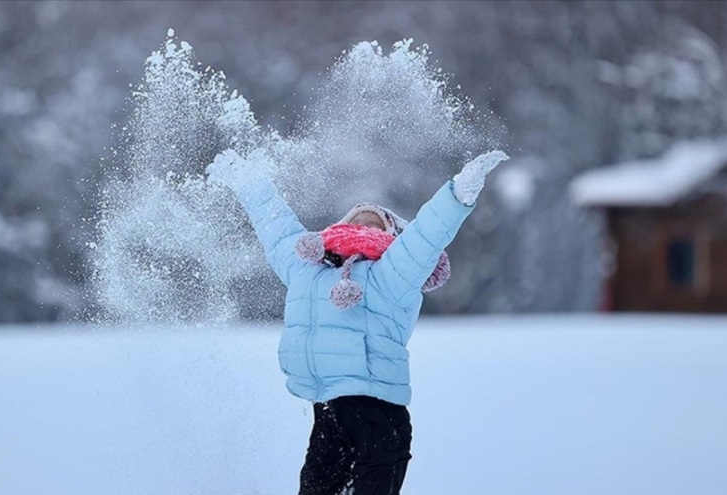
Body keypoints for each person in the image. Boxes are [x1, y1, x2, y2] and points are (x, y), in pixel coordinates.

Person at [206, 148, 509, 495]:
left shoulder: (393, 274)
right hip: (329, 413)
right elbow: (277, 228)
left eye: (375, 222)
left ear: (393, 237)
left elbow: (426, 237)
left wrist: (457, 194)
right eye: (356, 220)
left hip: (380, 417)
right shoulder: (308, 268)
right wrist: (249, 183)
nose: (363, 224)